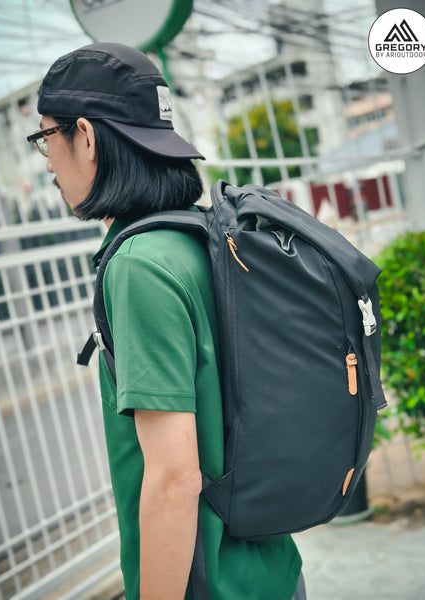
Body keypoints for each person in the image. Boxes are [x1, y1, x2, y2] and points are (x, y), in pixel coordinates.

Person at [27, 43, 304, 600]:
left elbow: (175, 479)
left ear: (86, 137)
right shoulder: (206, 236)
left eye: (46, 137)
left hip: (208, 584)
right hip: (272, 568)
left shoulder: (139, 267)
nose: (47, 160)